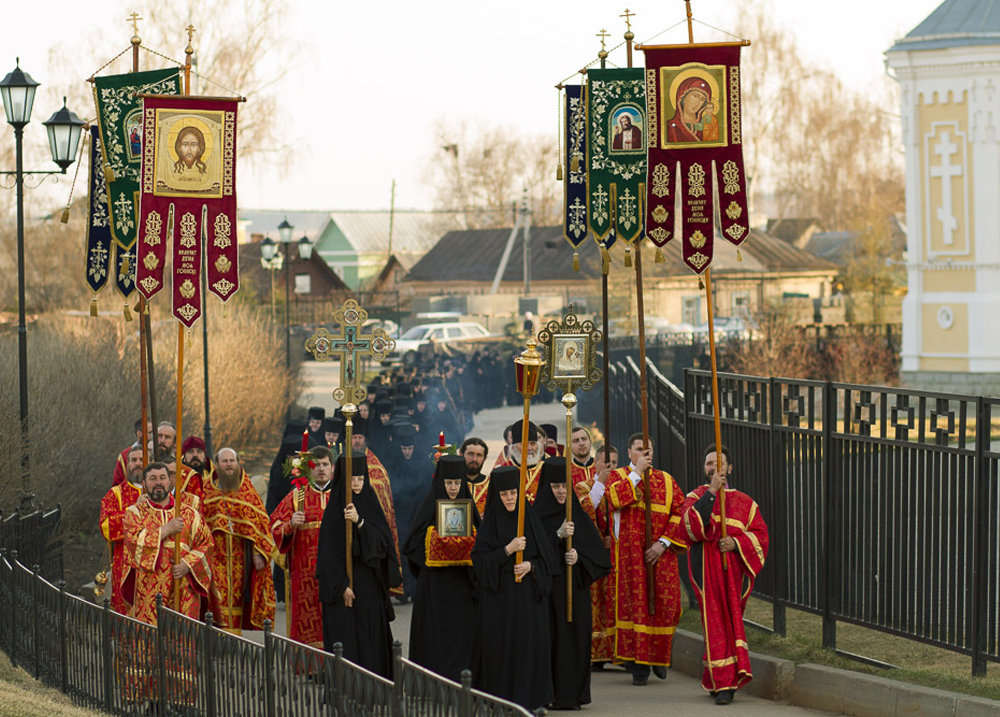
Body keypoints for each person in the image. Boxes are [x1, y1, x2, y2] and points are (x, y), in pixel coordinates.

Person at [681, 444, 769, 705]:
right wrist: (712, 493)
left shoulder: (745, 503)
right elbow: (690, 528)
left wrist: (736, 543)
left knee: (730, 625)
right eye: (709, 464)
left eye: (719, 464)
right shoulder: (696, 497)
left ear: (730, 468)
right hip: (706, 573)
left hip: (734, 576)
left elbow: (761, 537)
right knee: (714, 624)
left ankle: (721, 678)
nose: (713, 468)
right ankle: (724, 684)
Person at [471, 466, 559, 710]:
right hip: (500, 602)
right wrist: (507, 551)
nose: (509, 498)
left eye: (513, 493)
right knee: (502, 650)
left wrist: (531, 565)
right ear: (496, 496)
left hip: (528, 600)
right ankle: (501, 701)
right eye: (504, 494)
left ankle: (531, 700)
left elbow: (549, 562)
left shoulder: (529, 520)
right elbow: (479, 562)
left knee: (528, 649)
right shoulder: (490, 524)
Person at [603, 433, 687, 686]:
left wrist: (663, 544)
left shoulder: (667, 481)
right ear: (629, 452)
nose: (644, 454)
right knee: (635, 607)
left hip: (661, 557)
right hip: (629, 560)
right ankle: (638, 664)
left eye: (648, 450)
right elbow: (615, 498)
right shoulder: (619, 476)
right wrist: (637, 473)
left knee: (663, 606)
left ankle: (658, 659)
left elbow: (680, 512)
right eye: (639, 449)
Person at [534, 458, 611, 710]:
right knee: (550, 641)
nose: (561, 492)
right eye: (555, 487)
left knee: (576, 638)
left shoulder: (575, 513)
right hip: (547, 593)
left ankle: (574, 694)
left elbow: (599, 558)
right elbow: (532, 551)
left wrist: (578, 558)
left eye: (564, 486)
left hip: (573, 591)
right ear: (547, 487)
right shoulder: (537, 516)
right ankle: (549, 693)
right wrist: (557, 536)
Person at [316, 453, 401, 678]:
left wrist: (360, 523)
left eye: (360, 479)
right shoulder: (334, 511)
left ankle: (376, 685)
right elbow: (327, 556)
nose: (356, 484)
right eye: (352, 479)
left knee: (370, 638)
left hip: (369, 586)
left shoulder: (370, 506)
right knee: (346, 642)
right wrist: (341, 586)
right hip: (343, 590)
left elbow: (384, 547)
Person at [403, 455, 480, 681]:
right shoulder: (429, 506)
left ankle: (465, 682)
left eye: (457, 483)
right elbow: (412, 544)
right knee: (435, 635)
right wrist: (438, 541)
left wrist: (468, 541)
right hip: (435, 586)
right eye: (449, 483)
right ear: (440, 483)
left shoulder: (469, 507)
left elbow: (482, 545)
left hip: (463, 585)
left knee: (462, 635)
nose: (454, 488)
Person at [122, 462, 212, 623]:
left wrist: (187, 564)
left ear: (170, 482)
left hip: (183, 588)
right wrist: (166, 530)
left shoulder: (189, 513)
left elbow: (206, 544)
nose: (158, 482)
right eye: (152, 478)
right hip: (149, 589)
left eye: (163, 477)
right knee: (151, 639)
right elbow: (134, 544)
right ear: (144, 483)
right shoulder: (135, 513)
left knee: (183, 640)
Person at [201, 448, 277, 634]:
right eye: (224, 461)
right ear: (217, 465)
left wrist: (258, 552)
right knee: (216, 597)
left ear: (238, 463)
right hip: (214, 557)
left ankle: (234, 637)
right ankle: (216, 638)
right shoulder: (207, 490)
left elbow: (261, 524)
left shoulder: (247, 491)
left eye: (231, 461)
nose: (228, 465)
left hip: (241, 559)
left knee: (237, 598)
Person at [270, 445, 337, 648]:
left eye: (325, 464)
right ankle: (309, 666)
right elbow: (274, 524)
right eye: (315, 465)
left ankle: (335, 665)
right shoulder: (297, 496)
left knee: (334, 619)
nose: (321, 469)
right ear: (309, 468)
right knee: (306, 620)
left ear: (332, 467)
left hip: (335, 572)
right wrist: (290, 524)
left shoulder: (341, 496)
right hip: (305, 574)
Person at [576, 443, 619, 668]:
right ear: (597, 463)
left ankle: (620, 653)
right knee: (596, 603)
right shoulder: (585, 486)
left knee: (617, 601)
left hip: (618, 553)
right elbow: (583, 511)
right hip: (593, 554)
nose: (610, 467)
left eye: (614, 463)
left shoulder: (623, 485)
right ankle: (597, 654)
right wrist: (600, 483)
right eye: (606, 463)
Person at [99, 445, 145, 614]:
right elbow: (106, 527)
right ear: (127, 465)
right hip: (124, 564)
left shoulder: (160, 492)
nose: (138, 464)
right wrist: (133, 510)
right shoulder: (115, 494)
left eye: (142, 459)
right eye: (133, 460)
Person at [666, 76, 719, 143]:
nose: (697, 103)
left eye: (702, 99)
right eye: (695, 96)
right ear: (683, 97)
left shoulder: (707, 125)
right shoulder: (671, 127)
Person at [111, 418, 151, 486]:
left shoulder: (157, 452)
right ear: (139, 433)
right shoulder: (124, 456)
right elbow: (117, 483)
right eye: (150, 433)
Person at [460, 437, 490, 516]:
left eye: (479, 455)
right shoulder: (454, 483)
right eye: (470, 454)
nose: (474, 459)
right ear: (461, 454)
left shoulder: (492, 484)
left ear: (484, 458)